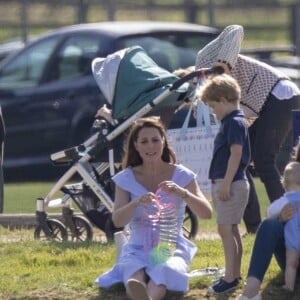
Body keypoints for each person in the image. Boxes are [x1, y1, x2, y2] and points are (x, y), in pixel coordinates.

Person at [196, 24, 300, 234]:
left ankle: (290, 217)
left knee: (263, 160)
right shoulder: (207, 85)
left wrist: (222, 64)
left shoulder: (206, 59)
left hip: (280, 95)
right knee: (239, 160)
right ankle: (254, 226)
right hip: (264, 106)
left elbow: (236, 30)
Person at [95, 117, 213, 300]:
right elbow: (117, 220)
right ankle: (137, 288)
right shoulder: (125, 178)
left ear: (163, 141)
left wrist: (182, 193)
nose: (151, 146)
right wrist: (136, 203)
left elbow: (207, 213)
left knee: (164, 269)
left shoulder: (182, 174)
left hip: (170, 245)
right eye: (144, 142)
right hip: (137, 244)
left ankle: (149, 297)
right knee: (132, 268)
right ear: (136, 146)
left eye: (155, 140)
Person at [199, 74, 250, 294]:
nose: (213, 111)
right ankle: (234, 273)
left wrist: (226, 183)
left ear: (223, 99)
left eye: (213, 106)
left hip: (232, 182)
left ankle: (229, 278)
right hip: (230, 181)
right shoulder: (234, 121)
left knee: (224, 229)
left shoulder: (233, 122)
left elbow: (236, 154)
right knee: (231, 229)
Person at [236, 143, 300, 300]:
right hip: (293, 259)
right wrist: (282, 219)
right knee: (269, 224)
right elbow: (272, 213)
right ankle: (251, 289)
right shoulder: (292, 194)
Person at [266, 161, 300, 292]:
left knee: (291, 264)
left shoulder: (285, 200)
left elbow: (269, 213)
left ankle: (289, 286)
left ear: (284, 185)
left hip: (292, 241)